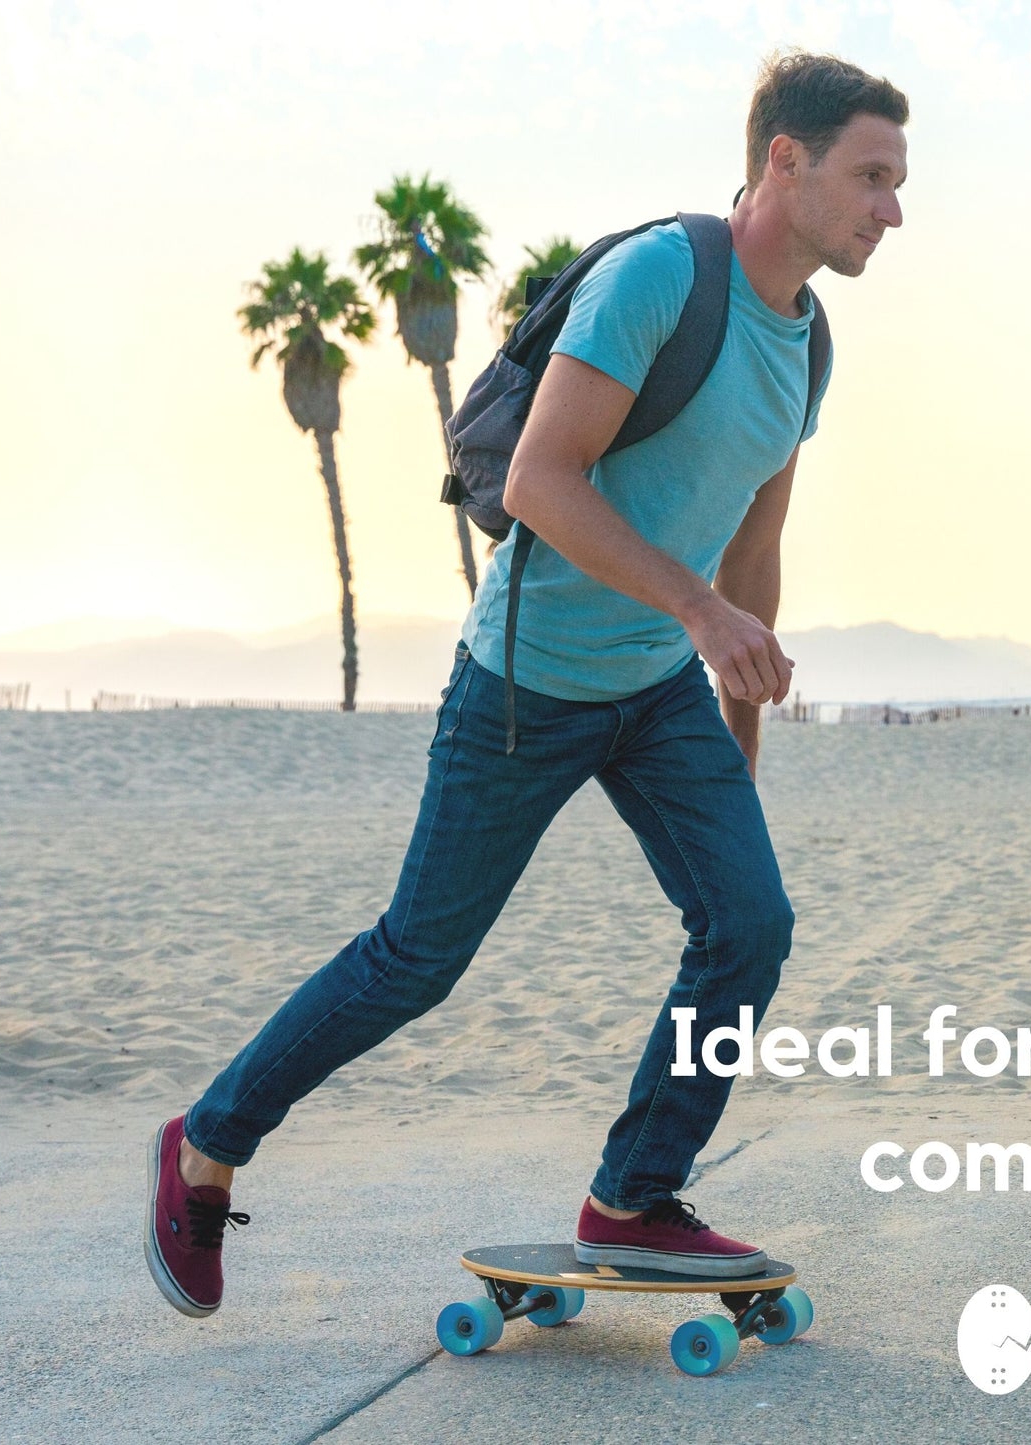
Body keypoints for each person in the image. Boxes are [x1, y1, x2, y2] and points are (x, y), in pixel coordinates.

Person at [145, 51, 909, 1318]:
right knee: (414, 958)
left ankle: (634, 1194)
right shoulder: (659, 278)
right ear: (787, 159)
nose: (892, 210)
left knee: (749, 923)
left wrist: (737, 742)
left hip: (659, 693)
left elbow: (753, 551)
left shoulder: (807, 344)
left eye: (895, 182)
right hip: (525, 683)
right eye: (872, 177)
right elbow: (542, 481)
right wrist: (700, 612)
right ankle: (205, 1142)